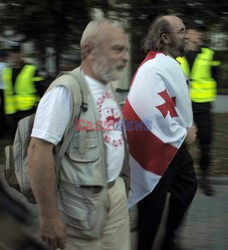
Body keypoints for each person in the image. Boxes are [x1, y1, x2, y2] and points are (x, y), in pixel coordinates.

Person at [27, 19, 130, 250]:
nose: (125, 57)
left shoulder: (107, 84)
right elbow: (37, 151)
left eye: (126, 50)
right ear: (89, 51)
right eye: (117, 49)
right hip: (81, 209)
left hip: (115, 195)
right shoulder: (65, 91)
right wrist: (49, 216)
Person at [123, 15, 197, 250]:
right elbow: (170, 106)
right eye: (181, 30)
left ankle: (167, 241)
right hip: (158, 146)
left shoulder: (157, 62)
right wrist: (186, 128)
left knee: (186, 188)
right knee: (151, 212)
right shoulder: (161, 65)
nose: (186, 35)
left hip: (166, 142)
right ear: (165, 38)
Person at [177, 20, 221, 196]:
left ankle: (204, 178)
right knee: (181, 145)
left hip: (203, 108)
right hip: (183, 108)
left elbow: (215, 78)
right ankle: (183, 179)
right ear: (187, 33)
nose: (199, 34)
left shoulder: (211, 55)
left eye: (201, 31)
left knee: (205, 144)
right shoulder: (178, 55)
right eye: (195, 31)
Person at [2, 44, 45, 138]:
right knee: (17, 140)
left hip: (28, 111)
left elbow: (41, 90)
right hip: (13, 113)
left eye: (17, 52)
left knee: (28, 140)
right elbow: (6, 93)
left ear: (22, 54)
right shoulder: (7, 71)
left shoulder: (31, 70)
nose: (14, 55)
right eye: (12, 53)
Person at [0, 49, 8, 138]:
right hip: (5, 91)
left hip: (1, 90)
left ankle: (2, 131)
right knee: (3, 111)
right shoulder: (6, 67)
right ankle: (4, 130)